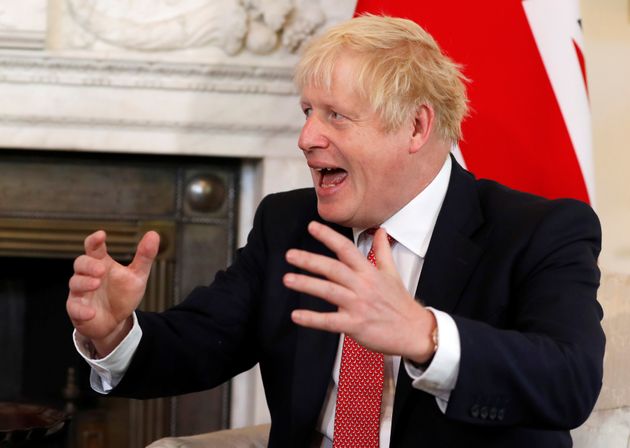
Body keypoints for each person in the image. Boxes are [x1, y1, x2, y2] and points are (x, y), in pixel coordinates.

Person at [67, 15, 605, 447]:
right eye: (307, 111)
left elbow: (569, 382)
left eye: (335, 116)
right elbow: (204, 343)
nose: (305, 138)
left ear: (416, 126)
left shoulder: (538, 230)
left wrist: (425, 336)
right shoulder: (288, 224)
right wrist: (115, 332)